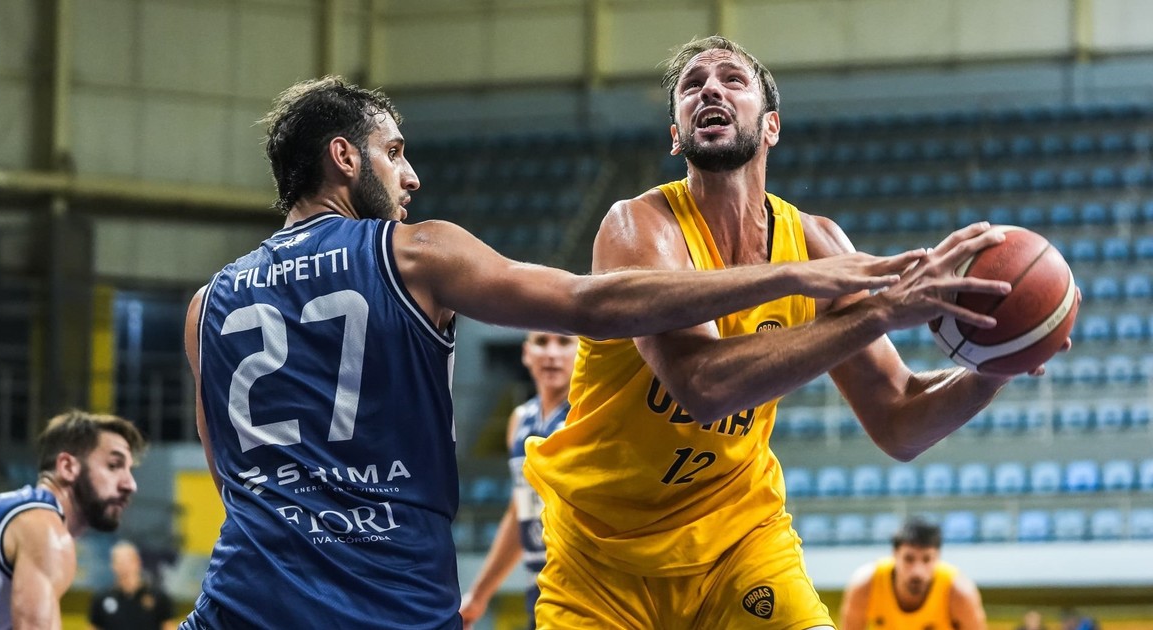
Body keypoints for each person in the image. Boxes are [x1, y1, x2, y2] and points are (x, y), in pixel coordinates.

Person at [180, 76, 922, 629]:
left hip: (242, 597)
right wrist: (792, 276)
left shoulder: (205, 304)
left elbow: (230, 478)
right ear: (344, 158)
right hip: (388, 596)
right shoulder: (415, 251)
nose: (411, 175)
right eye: (394, 152)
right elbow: (589, 303)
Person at [523, 35, 1072, 629]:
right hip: (601, 558)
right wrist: (880, 311)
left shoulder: (816, 242)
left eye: (733, 79)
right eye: (692, 85)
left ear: (772, 126)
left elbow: (899, 419)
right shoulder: (638, 227)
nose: (710, 89)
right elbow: (702, 385)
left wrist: (990, 369)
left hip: (739, 540)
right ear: (676, 135)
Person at [0, 410, 143, 629]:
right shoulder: (43, 529)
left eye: (129, 469)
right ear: (67, 467)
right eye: (114, 465)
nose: (130, 484)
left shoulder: (20, 514)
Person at [459, 332, 577, 629]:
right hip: (539, 586)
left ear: (582, 351)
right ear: (526, 353)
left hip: (582, 588)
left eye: (564, 342)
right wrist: (478, 595)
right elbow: (519, 511)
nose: (552, 353)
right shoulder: (521, 418)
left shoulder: (587, 416)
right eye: (542, 342)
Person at [840, 517, 987, 630]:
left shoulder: (958, 593)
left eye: (927, 559)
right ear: (895, 554)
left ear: (937, 558)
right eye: (909, 559)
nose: (917, 571)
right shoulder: (866, 585)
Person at [89, 540, 177, 630]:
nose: (123, 566)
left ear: (138, 562)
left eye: (127, 561)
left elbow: (168, 626)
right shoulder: (102, 599)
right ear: (112, 565)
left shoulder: (159, 597)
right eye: (118, 562)